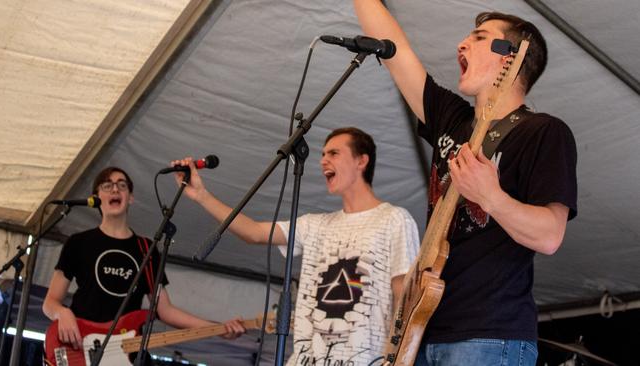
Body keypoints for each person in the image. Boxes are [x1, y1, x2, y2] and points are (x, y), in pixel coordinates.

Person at [355, 3, 578, 365]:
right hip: (423, 328)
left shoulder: (543, 132)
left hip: (490, 334)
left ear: (511, 59)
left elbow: (550, 235)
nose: (461, 45)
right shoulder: (452, 120)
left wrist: (491, 197)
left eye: (478, 38)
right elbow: (396, 50)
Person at [174, 127, 420, 365]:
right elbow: (254, 233)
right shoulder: (314, 225)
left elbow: (405, 298)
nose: (323, 160)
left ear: (361, 161)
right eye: (322, 154)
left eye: (334, 153)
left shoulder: (394, 219)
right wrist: (202, 196)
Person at [43, 167, 245, 360]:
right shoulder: (78, 243)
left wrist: (217, 328)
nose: (115, 189)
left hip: (124, 353)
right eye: (107, 185)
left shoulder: (146, 249)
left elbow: (165, 310)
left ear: (130, 198)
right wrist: (62, 313)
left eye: (122, 185)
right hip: (79, 348)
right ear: (96, 198)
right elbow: (50, 303)